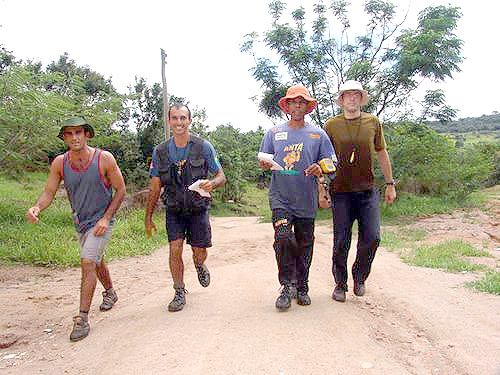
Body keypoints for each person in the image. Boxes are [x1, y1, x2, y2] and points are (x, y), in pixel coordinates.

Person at [26, 117, 126, 341]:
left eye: (78, 132)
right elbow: (49, 192)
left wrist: (106, 219)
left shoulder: (104, 159)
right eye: (69, 134)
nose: (74, 137)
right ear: (64, 138)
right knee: (96, 259)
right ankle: (110, 292)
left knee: (88, 261)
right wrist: (37, 207)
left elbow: (120, 190)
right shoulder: (60, 163)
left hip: (102, 220)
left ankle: (82, 318)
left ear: (87, 134)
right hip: (80, 222)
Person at [259, 85, 337, 311]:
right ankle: (285, 286)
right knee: (283, 238)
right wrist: (264, 164)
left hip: (306, 198)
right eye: (293, 102)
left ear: (307, 107)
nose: (297, 106)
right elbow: (264, 159)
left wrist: (319, 167)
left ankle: (302, 286)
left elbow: (333, 163)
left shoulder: (318, 134)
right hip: (280, 197)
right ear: (287, 106)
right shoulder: (273, 133)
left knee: (304, 243)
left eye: (302, 102)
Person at [145, 103, 226, 312]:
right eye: (174, 118)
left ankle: (199, 265)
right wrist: (148, 217)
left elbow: (221, 176)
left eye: (183, 118)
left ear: (190, 120)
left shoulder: (203, 146)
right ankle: (179, 290)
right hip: (174, 209)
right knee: (175, 248)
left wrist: (213, 183)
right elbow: (154, 187)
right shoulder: (160, 151)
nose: (179, 122)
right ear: (169, 121)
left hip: (198, 208)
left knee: (199, 251)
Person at [323, 80, 397, 302]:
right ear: (342, 100)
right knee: (341, 240)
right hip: (341, 191)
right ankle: (340, 283)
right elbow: (324, 157)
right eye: (348, 95)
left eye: (356, 94)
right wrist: (322, 187)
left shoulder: (372, 122)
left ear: (361, 98)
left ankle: (360, 276)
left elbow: (381, 152)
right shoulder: (331, 125)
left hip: (367, 190)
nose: (352, 98)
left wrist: (390, 184)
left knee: (373, 237)